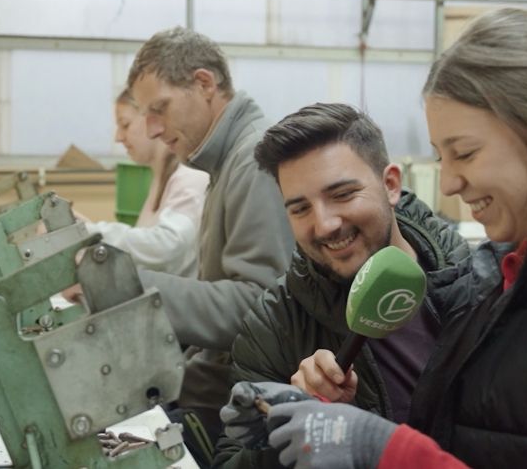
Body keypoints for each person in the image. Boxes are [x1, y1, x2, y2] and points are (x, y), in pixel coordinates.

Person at [230, 8, 527, 468]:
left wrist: (383, 450)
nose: (449, 185)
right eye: (444, 159)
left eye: (465, 153)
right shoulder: (513, 271)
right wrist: (312, 419)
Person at [213, 103, 473, 468]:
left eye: (342, 195)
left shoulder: (478, 283)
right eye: (300, 208)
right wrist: (295, 425)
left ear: (391, 185)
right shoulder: (276, 323)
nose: (324, 225)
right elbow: (230, 460)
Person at [127, 27, 295, 465]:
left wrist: (129, 289)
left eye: (159, 109)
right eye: (144, 114)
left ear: (204, 84)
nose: (152, 128)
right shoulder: (224, 162)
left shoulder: (252, 161)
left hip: (229, 412)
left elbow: (259, 305)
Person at [84, 89, 209, 277]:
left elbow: (167, 246)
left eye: (125, 125)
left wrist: (90, 232)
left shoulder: (191, 176)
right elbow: (144, 250)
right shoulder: (160, 179)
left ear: (153, 121)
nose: (118, 137)